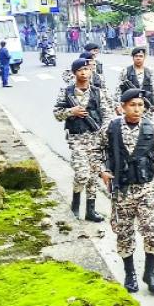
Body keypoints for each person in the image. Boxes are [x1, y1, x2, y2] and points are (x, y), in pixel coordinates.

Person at [96, 88, 154, 294]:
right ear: (123, 107)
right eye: (132, 105)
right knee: (124, 234)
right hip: (122, 191)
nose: (137, 109)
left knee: (153, 232)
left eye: (140, 105)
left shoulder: (152, 127)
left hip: (146, 188)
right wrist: (101, 170)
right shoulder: (111, 127)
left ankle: (150, 272)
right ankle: (130, 273)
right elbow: (96, 150)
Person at [53, 58, 115, 222]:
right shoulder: (66, 92)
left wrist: (104, 130)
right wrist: (71, 111)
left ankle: (90, 210)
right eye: (80, 70)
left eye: (87, 69)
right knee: (82, 174)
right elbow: (57, 114)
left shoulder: (97, 92)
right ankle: (74, 205)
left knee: (93, 175)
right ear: (74, 73)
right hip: (77, 139)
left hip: (96, 138)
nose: (84, 72)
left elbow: (108, 114)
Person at [115, 46, 154, 116]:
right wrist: (118, 105)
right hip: (130, 106)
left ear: (144, 58)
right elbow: (118, 90)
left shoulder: (149, 72)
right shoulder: (126, 71)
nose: (138, 58)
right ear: (133, 57)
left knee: (148, 126)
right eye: (136, 56)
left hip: (146, 106)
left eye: (141, 56)